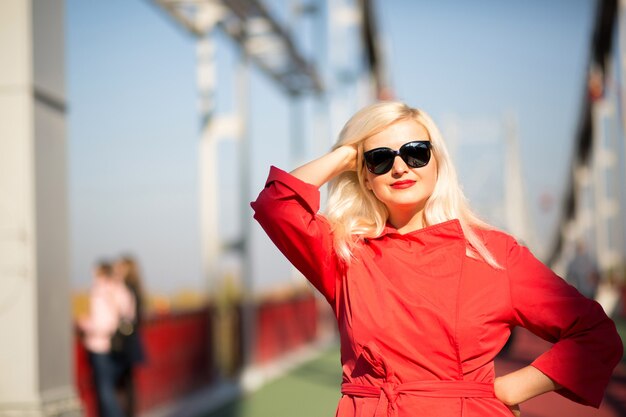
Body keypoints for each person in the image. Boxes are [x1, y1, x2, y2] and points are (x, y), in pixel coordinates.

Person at [250, 101, 623, 417]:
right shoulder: (346, 253)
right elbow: (277, 205)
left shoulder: (493, 253)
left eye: (416, 152)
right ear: (365, 177)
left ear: (438, 161)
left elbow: (595, 335)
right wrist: (349, 153)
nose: (400, 167)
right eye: (379, 160)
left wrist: (512, 388)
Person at [78, 260, 136, 417]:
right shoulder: (122, 290)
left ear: (101, 273)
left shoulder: (99, 291)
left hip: (100, 345)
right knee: (114, 388)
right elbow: (130, 316)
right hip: (120, 345)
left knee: (105, 391)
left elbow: (101, 324)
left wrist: (84, 324)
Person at [112, 255, 147, 417]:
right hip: (130, 339)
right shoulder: (136, 287)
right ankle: (129, 413)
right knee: (127, 381)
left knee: (122, 381)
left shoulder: (126, 288)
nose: (117, 270)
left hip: (124, 341)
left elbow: (127, 315)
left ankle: (125, 413)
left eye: (121, 267)